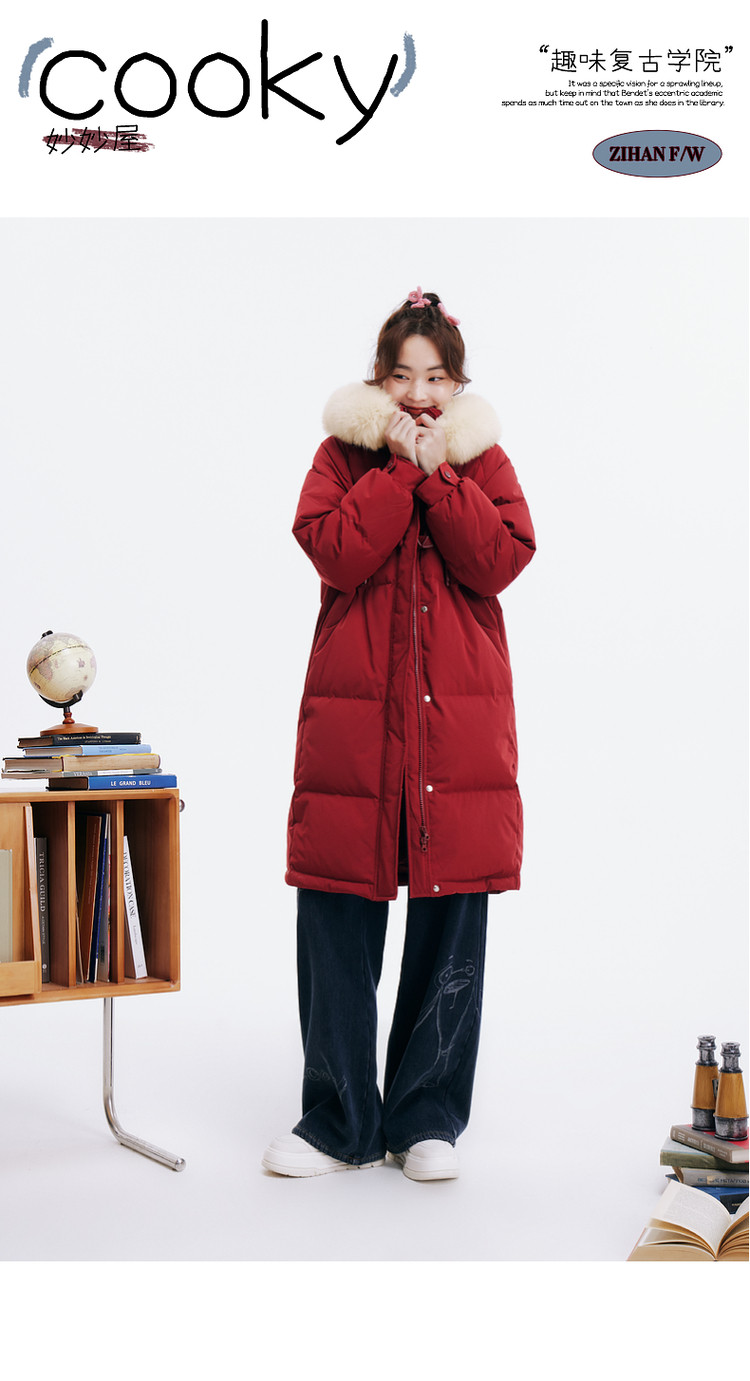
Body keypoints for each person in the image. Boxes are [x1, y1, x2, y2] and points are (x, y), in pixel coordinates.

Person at [262, 288, 535, 1181]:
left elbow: (497, 559)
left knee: (451, 916)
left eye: (438, 377)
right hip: (355, 733)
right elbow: (336, 551)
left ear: (458, 383)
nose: (420, 394)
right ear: (379, 378)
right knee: (338, 908)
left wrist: (441, 476)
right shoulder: (341, 457)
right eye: (403, 376)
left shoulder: (483, 461)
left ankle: (427, 1119)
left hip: (458, 733)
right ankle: (336, 1120)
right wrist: (398, 473)